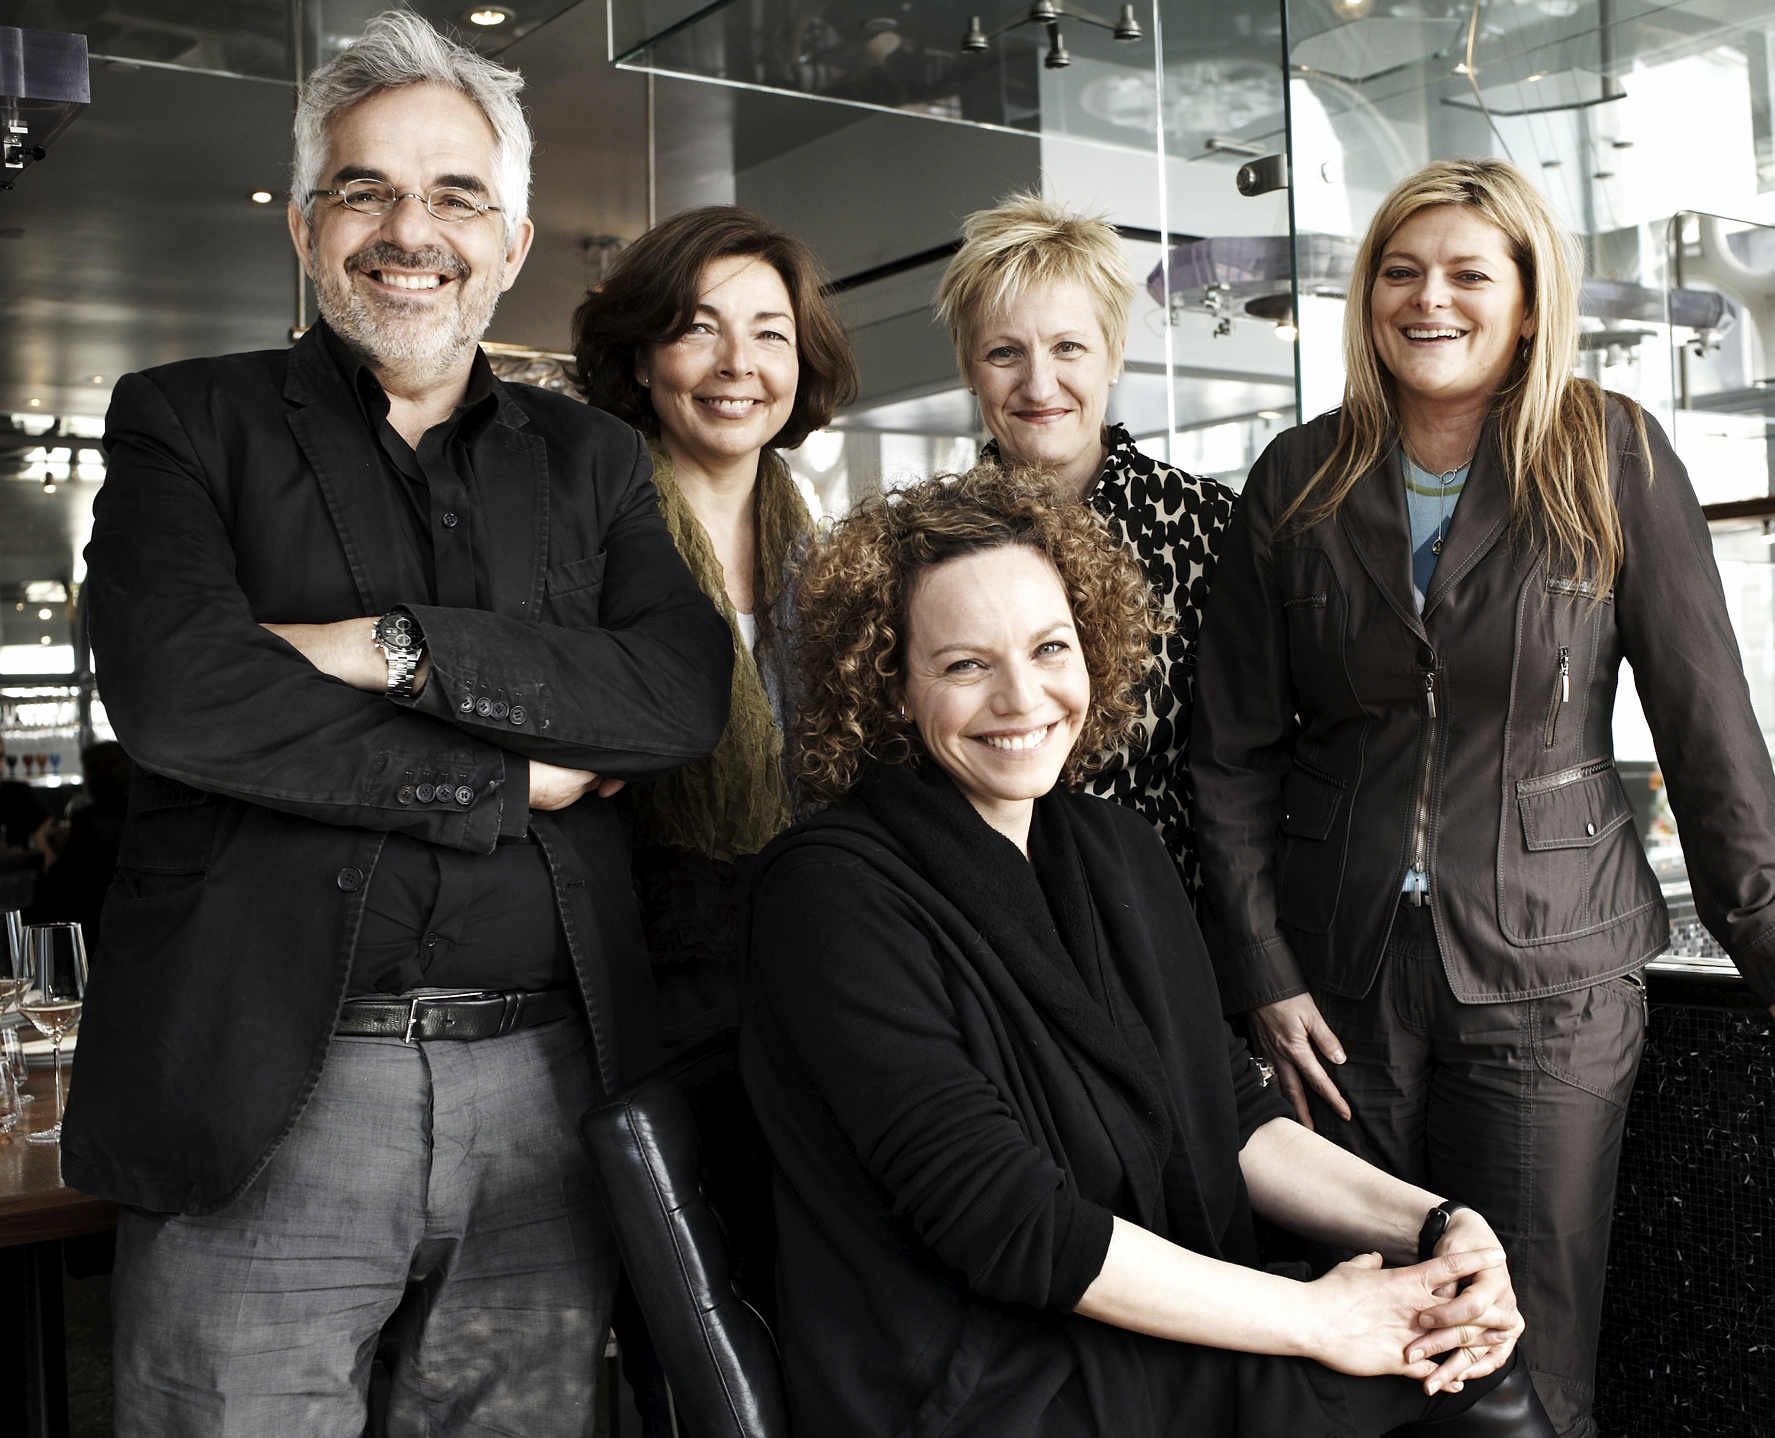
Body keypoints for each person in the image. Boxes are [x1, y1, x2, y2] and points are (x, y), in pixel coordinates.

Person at [64, 14, 731, 1435]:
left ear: (512, 237)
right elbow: (188, 700)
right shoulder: (183, 422)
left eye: (453, 195)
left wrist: (396, 648)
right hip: (268, 1096)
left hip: (551, 1090)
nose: (406, 230)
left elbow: (675, 691)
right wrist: (511, 777)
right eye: (364, 190)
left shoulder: (594, 459)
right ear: (306, 227)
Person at [739, 464, 1556, 1438]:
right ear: (889, 686)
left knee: (1456, 1347)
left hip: (1119, 1319)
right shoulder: (826, 892)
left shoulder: (1108, 844)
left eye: (1048, 647)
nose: (1021, 696)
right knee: (1452, 1384)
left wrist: (1437, 1224)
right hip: (977, 1380)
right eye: (963, 664)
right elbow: (1008, 1225)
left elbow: (1231, 1115)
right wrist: (1313, 1318)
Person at [1190, 157, 1775, 1438]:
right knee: (1360, 1335)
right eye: (1399, 272)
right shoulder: (1295, 476)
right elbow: (1228, 751)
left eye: (1466, 272)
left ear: (1524, 298)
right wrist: (1260, 970)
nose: (1427, 299)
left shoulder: (1608, 450)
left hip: (1551, 977)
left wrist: (1763, 938)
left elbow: (1707, 729)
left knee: (1530, 1349)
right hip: (1338, 989)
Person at [572, 204, 857, 1048]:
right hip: (644, 984)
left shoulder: (835, 562)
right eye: (699, 329)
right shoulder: (580, 545)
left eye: (770, 335)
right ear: (640, 355)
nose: (739, 365)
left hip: (825, 958)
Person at [935, 194, 1234, 893]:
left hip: (1172, 918)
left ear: (1114, 354)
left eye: (1067, 346)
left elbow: (1247, 766)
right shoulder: (928, 543)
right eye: (1004, 353)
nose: (1039, 384)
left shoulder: (1210, 524)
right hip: (991, 917)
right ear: (969, 370)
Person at [27, 740, 130, 955]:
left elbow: (62, 881)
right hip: (126, 928)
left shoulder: (86, 819)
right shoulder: (135, 817)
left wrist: (41, 842)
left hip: (89, 935)